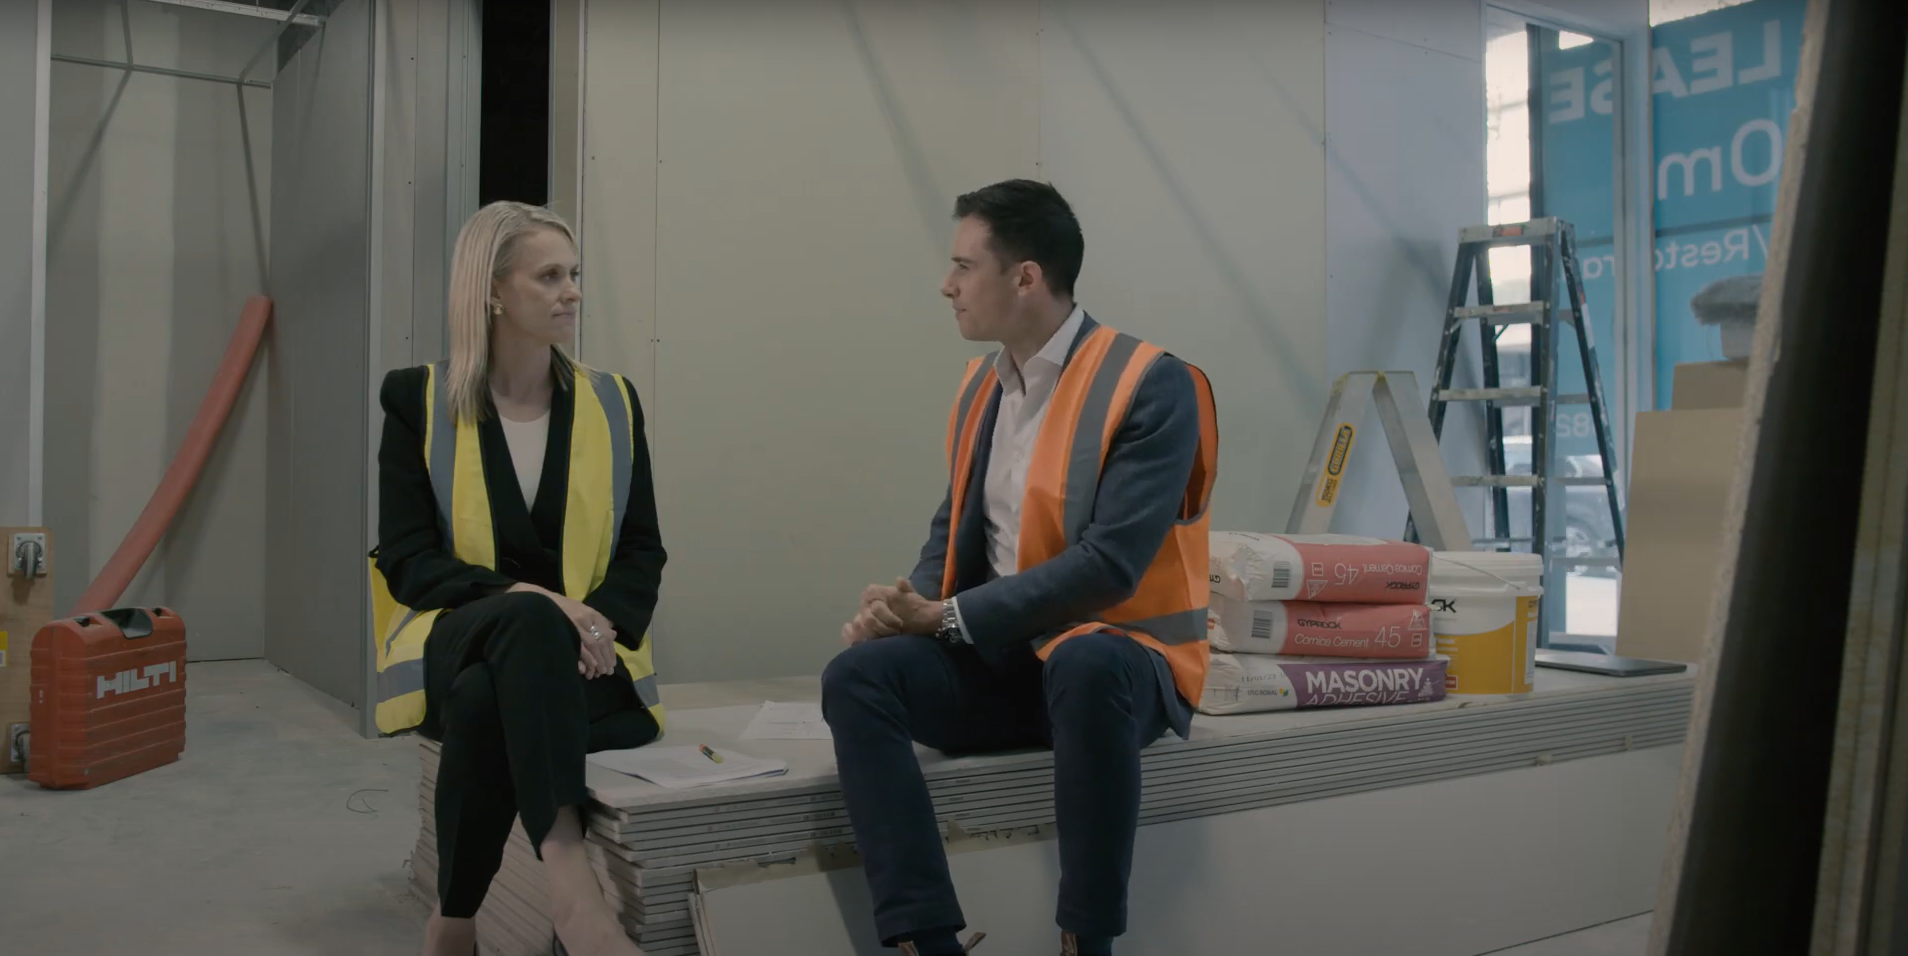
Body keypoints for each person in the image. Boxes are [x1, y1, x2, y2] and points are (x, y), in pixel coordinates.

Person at [821, 180, 1219, 956]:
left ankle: (1086, 939)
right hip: (1010, 665)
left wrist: (947, 618)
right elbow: (956, 530)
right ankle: (924, 938)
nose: (948, 285)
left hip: (1122, 669)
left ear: (1026, 277)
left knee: (1089, 658)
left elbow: (1110, 565)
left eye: (964, 266)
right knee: (856, 677)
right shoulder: (982, 387)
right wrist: (901, 608)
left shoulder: (1153, 383)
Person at [370, 201, 664, 956]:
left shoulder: (613, 401)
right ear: (494, 291)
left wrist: (594, 621)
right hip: (459, 637)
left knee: (483, 703)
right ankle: (572, 894)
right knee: (519, 627)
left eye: (574, 275)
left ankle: (453, 922)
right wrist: (532, 599)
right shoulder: (417, 400)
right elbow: (407, 558)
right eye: (549, 276)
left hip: (588, 662)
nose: (571, 292)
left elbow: (642, 550)